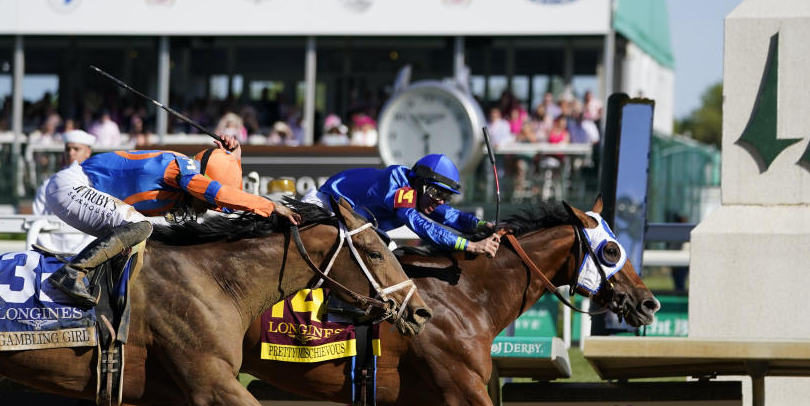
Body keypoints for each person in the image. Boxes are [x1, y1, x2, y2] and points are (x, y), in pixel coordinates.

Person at [43, 134, 300, 306]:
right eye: (208, 204)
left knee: (144, 236)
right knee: (140, 227)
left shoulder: (191, 180)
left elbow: (223, 203)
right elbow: (215, 193)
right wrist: (269, 205)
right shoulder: (180, 168)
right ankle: (71, 274)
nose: (209, 208)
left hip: (79, 190)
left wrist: (234, 158)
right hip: (71, 186)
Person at [307, 153, 500, 256]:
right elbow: (422, 226)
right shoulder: (398, 187)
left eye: (446, 196)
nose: (440, 201)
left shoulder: (420, 192)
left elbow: (450, 216)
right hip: (323, 209)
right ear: (421, 183)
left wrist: (484, 225)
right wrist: (471, 246)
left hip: (349, 221)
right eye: (437, 193)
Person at [32, 130, 97, 254]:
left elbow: (98, 224)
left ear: (88, 152)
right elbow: (38, 218)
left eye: (76, 149)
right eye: (68, 149)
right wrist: (53, 253)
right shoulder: (49, 184)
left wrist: (77, 254)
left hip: (84, 255)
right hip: (51, 255)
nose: (71, 153)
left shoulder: (95, 185)